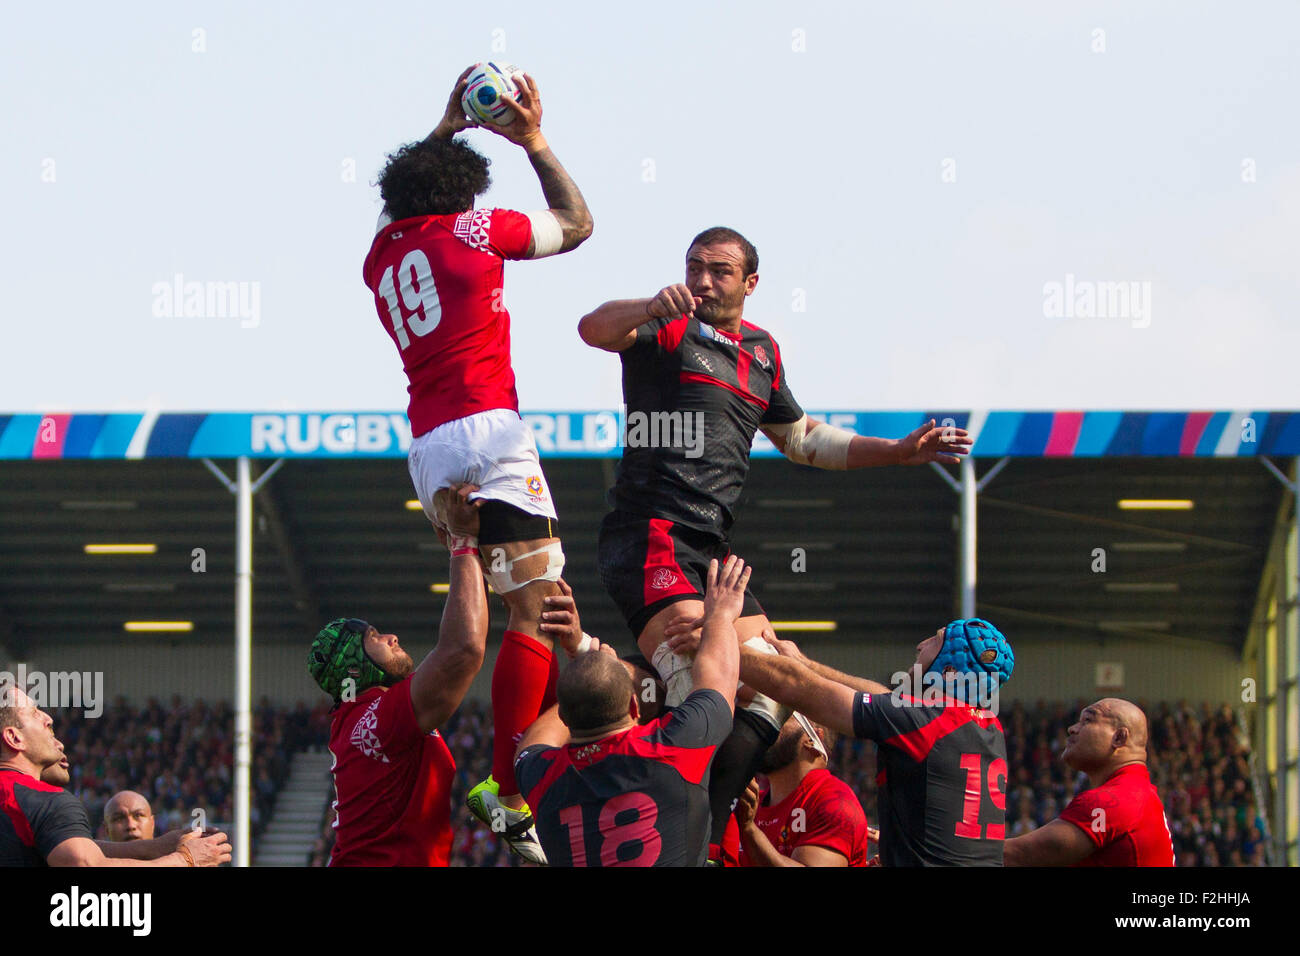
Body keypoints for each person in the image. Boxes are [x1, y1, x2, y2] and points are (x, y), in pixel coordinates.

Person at [578, 226, 973, 856]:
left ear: (750, 283)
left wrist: (898, 453)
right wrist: (650, 305)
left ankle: (704, 834)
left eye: (720, 271)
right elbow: (593, 328)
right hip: (652, 536)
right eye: (694, 267)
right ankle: (673, 841)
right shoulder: (666, 328)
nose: (703, 281)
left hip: (709, 552)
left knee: (774, 685)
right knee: (702, 695)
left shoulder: (762, 351)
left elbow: (804, 439)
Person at [363, 65, 593, 859]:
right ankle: (506, 782)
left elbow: (408, 192)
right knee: (534, 604)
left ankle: (521, 779)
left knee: (507, 597)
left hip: (426, 445)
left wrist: (445, 126)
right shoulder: (476, 230)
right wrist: (531, 138)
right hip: (488, 430)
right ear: (464, 196)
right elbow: (578, 221)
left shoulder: (380, 257)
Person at [512, 556, 748, 866]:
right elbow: (719, 674)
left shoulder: (539, 774)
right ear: (634, 705)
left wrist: (586, 659)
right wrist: (720, 614)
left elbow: (539, 735)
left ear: (567, 719)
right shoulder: (672, 749)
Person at [723, 619, 1013, 866]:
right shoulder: (989, 728)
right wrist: (807, 663)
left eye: (936, 640)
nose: (921, 645)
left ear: (948, 673)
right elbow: (891, 703)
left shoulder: (921, 723)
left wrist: (715, 644)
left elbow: (796, 687)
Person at [308, 484, 493, 866]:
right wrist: (462, 543)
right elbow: (462, 650)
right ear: (353, 663)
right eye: (374, 637)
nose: (392, 637)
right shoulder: (371, 717)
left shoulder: (362, 715)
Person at [1, 688, 231, 867]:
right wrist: (186, 860)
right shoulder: (46, 801)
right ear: (14, 738)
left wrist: (155, 847)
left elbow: (61, 847)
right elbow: (85, 863)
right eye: (34, 713)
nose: (48, 718)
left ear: (153, 820)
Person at [1003, 698, 1174, 866]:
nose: (1072, 729)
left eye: (1087, 720)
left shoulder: (1112, 800)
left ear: (1119, 737)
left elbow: (1019, 855)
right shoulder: (1139, 794)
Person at [735, 713, 873, 867]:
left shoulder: (836, 802)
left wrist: (749, 830)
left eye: (781, 717)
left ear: (813, 740)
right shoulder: (749, 803)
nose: (765, 725)